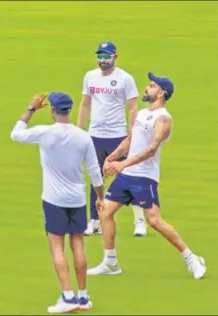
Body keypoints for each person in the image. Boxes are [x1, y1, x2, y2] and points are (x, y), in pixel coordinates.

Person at [87, 72, 206, 279]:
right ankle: (110, 262)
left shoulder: (163, 120)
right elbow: (129, 141)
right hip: (127, 175)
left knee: (154, 221)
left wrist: (123, 164)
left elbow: (151, 149)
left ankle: (191, 258)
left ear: (161, 93)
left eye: (151, 86)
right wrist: (112, 158)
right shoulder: (142, 113)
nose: (146, 88)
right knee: (104, 212)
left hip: (144, 178)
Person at [10, 92, 105, 313]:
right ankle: (83, 297)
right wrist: (100, 197)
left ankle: (67, 296)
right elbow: (94, 172)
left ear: (53, 110)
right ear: (69, 110)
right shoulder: (83, 137)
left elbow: (15, 134)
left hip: (54, 200)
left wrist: (31, 109)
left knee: (57, 248)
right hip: (78, 199)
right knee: (78, 245)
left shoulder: (45, 133)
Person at [77, 41, 147, 237]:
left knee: (128, 177)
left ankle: (139, 221)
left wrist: (133, 134)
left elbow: (133, 107)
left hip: (117, 135)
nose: (102, 60)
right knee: (95, 178)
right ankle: (95, 220)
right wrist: (79, 130)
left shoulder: (125, 79)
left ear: (115, 56)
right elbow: (85, 104)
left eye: (106, 56)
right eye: (99, 56)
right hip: (95, 135)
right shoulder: (90, 77)